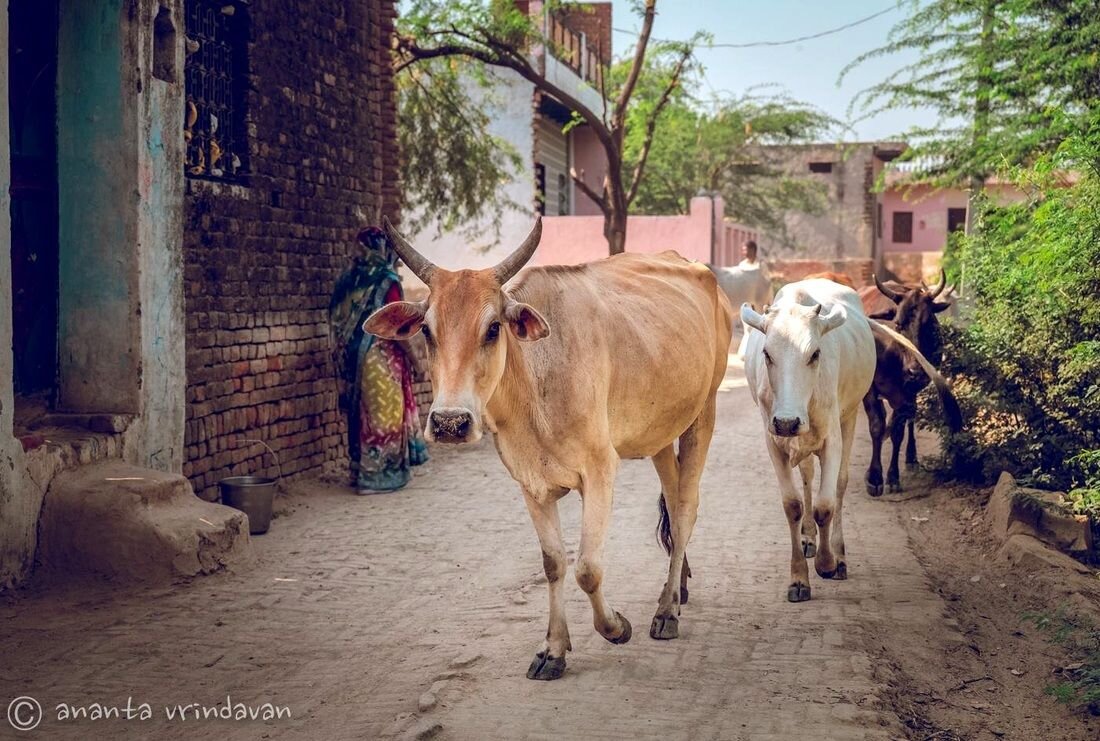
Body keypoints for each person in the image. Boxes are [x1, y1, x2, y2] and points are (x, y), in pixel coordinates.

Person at [329, 226, 428, 493]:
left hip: (350, 359)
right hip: (379, 358)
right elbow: (398, 327)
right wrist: (417, 362)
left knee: (360, 415)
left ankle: (358, 471)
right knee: (384, 417)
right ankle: (378, 478)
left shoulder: (347, 280)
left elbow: (335, 322)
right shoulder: (386, 281)